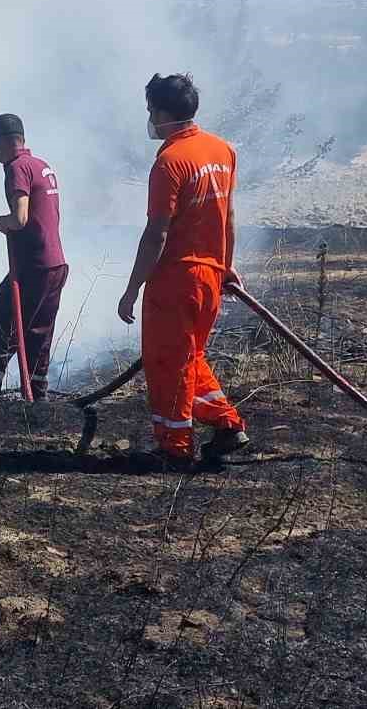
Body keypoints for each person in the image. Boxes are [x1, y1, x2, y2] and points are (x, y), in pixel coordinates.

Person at [117, 73, 248, 466]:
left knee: (167, 362)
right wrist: (225, 266)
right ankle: (227, 426)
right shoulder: (222, 150)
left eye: (150, 111)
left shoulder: (170, 162)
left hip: (176, 280)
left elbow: (156, 233)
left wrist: (131, 288)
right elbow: (228, 217)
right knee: (190, 356)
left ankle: (175, 447)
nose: (149, 120)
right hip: (209, 278)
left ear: (161, 112)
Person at [0, 113, 68, 401]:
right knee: (37, 335)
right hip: (55, 265)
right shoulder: (41, 165)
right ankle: (37, 400)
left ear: (1, 142)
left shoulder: (16, 167)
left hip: (33, 266)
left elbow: (19, 219)